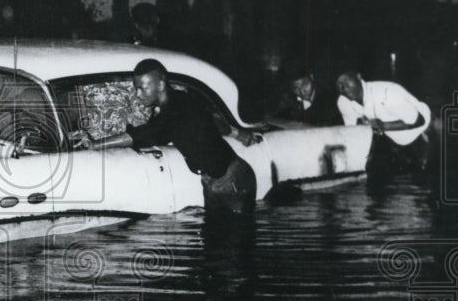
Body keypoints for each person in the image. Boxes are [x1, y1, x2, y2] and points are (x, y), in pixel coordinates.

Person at [71, 58, 257, 216]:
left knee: (229, 247)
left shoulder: (172, 110)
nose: (137, 95)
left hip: (231, 182)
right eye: (136, 89)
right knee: (215, 246)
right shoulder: (181, 100)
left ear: (160, 84)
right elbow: (212, 118)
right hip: (215, 180)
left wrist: (96, 145)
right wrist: (237, 133)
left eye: (142, 88)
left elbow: (141, 134)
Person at [335, 70, 432, 174]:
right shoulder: (343, 102)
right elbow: (353, 133)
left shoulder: (388, 92)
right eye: (339, 85)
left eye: (347, 81)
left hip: (424, 131)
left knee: (424, 178)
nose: (344, 88)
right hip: (394, 140)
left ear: (358, 77)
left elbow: (419, 121)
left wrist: (382, 126)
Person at [271, 73, 341, 126]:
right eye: (296, 88)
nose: (301, 92)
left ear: (311, 77)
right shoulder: (287, 99)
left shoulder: (330, 98)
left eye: (304, 85)